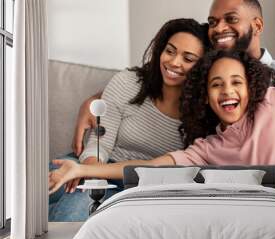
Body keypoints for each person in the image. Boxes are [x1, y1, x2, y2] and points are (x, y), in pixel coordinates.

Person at [49, 24, 275, 221]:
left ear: (252, 88)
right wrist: (80, 170)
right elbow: (152, 165)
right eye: (216, 85)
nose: (227, 90)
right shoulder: (207, 148)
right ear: (204, 96)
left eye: (236, 82)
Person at [72, 0, 275, 204]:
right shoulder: (205, 104)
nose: (219, 29)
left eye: (231, 19)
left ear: (257, 24)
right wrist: (98, 102)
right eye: (214, 22)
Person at [48, 18, 209, 221]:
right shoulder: (128, 82)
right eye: (170, 51)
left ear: (203, 67)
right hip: (95, 163)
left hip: (136, 186)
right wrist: (89, 171)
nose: (174, 62)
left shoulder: (203, 115)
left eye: (188, 58)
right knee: (36, 195)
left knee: (77, 207)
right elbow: (100, 143)